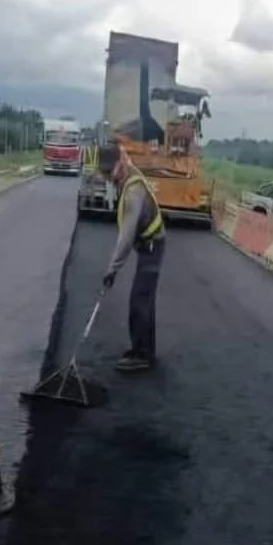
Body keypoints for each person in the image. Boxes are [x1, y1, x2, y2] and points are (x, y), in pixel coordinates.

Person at [98, 140, 166, 373]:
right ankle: (145, 349)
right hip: (148, 244)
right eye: (105, 173)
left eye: (110, 172)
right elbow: (121, 152)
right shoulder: (124, 172)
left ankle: (142, 355)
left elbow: (125, 239)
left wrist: (112, 270)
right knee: (145, 299)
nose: (108, 178)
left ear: (120, 164)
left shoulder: (133, 194)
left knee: (139, 301)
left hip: (152, 245)